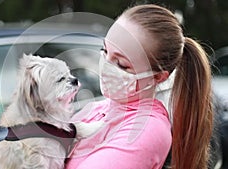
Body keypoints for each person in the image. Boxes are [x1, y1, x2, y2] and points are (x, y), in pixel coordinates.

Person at [65, 4, 213, 169]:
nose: (106, 66)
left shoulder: (147, 129)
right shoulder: (96, 109)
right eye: (105, 51)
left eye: (121, 64)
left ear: (158, 76)